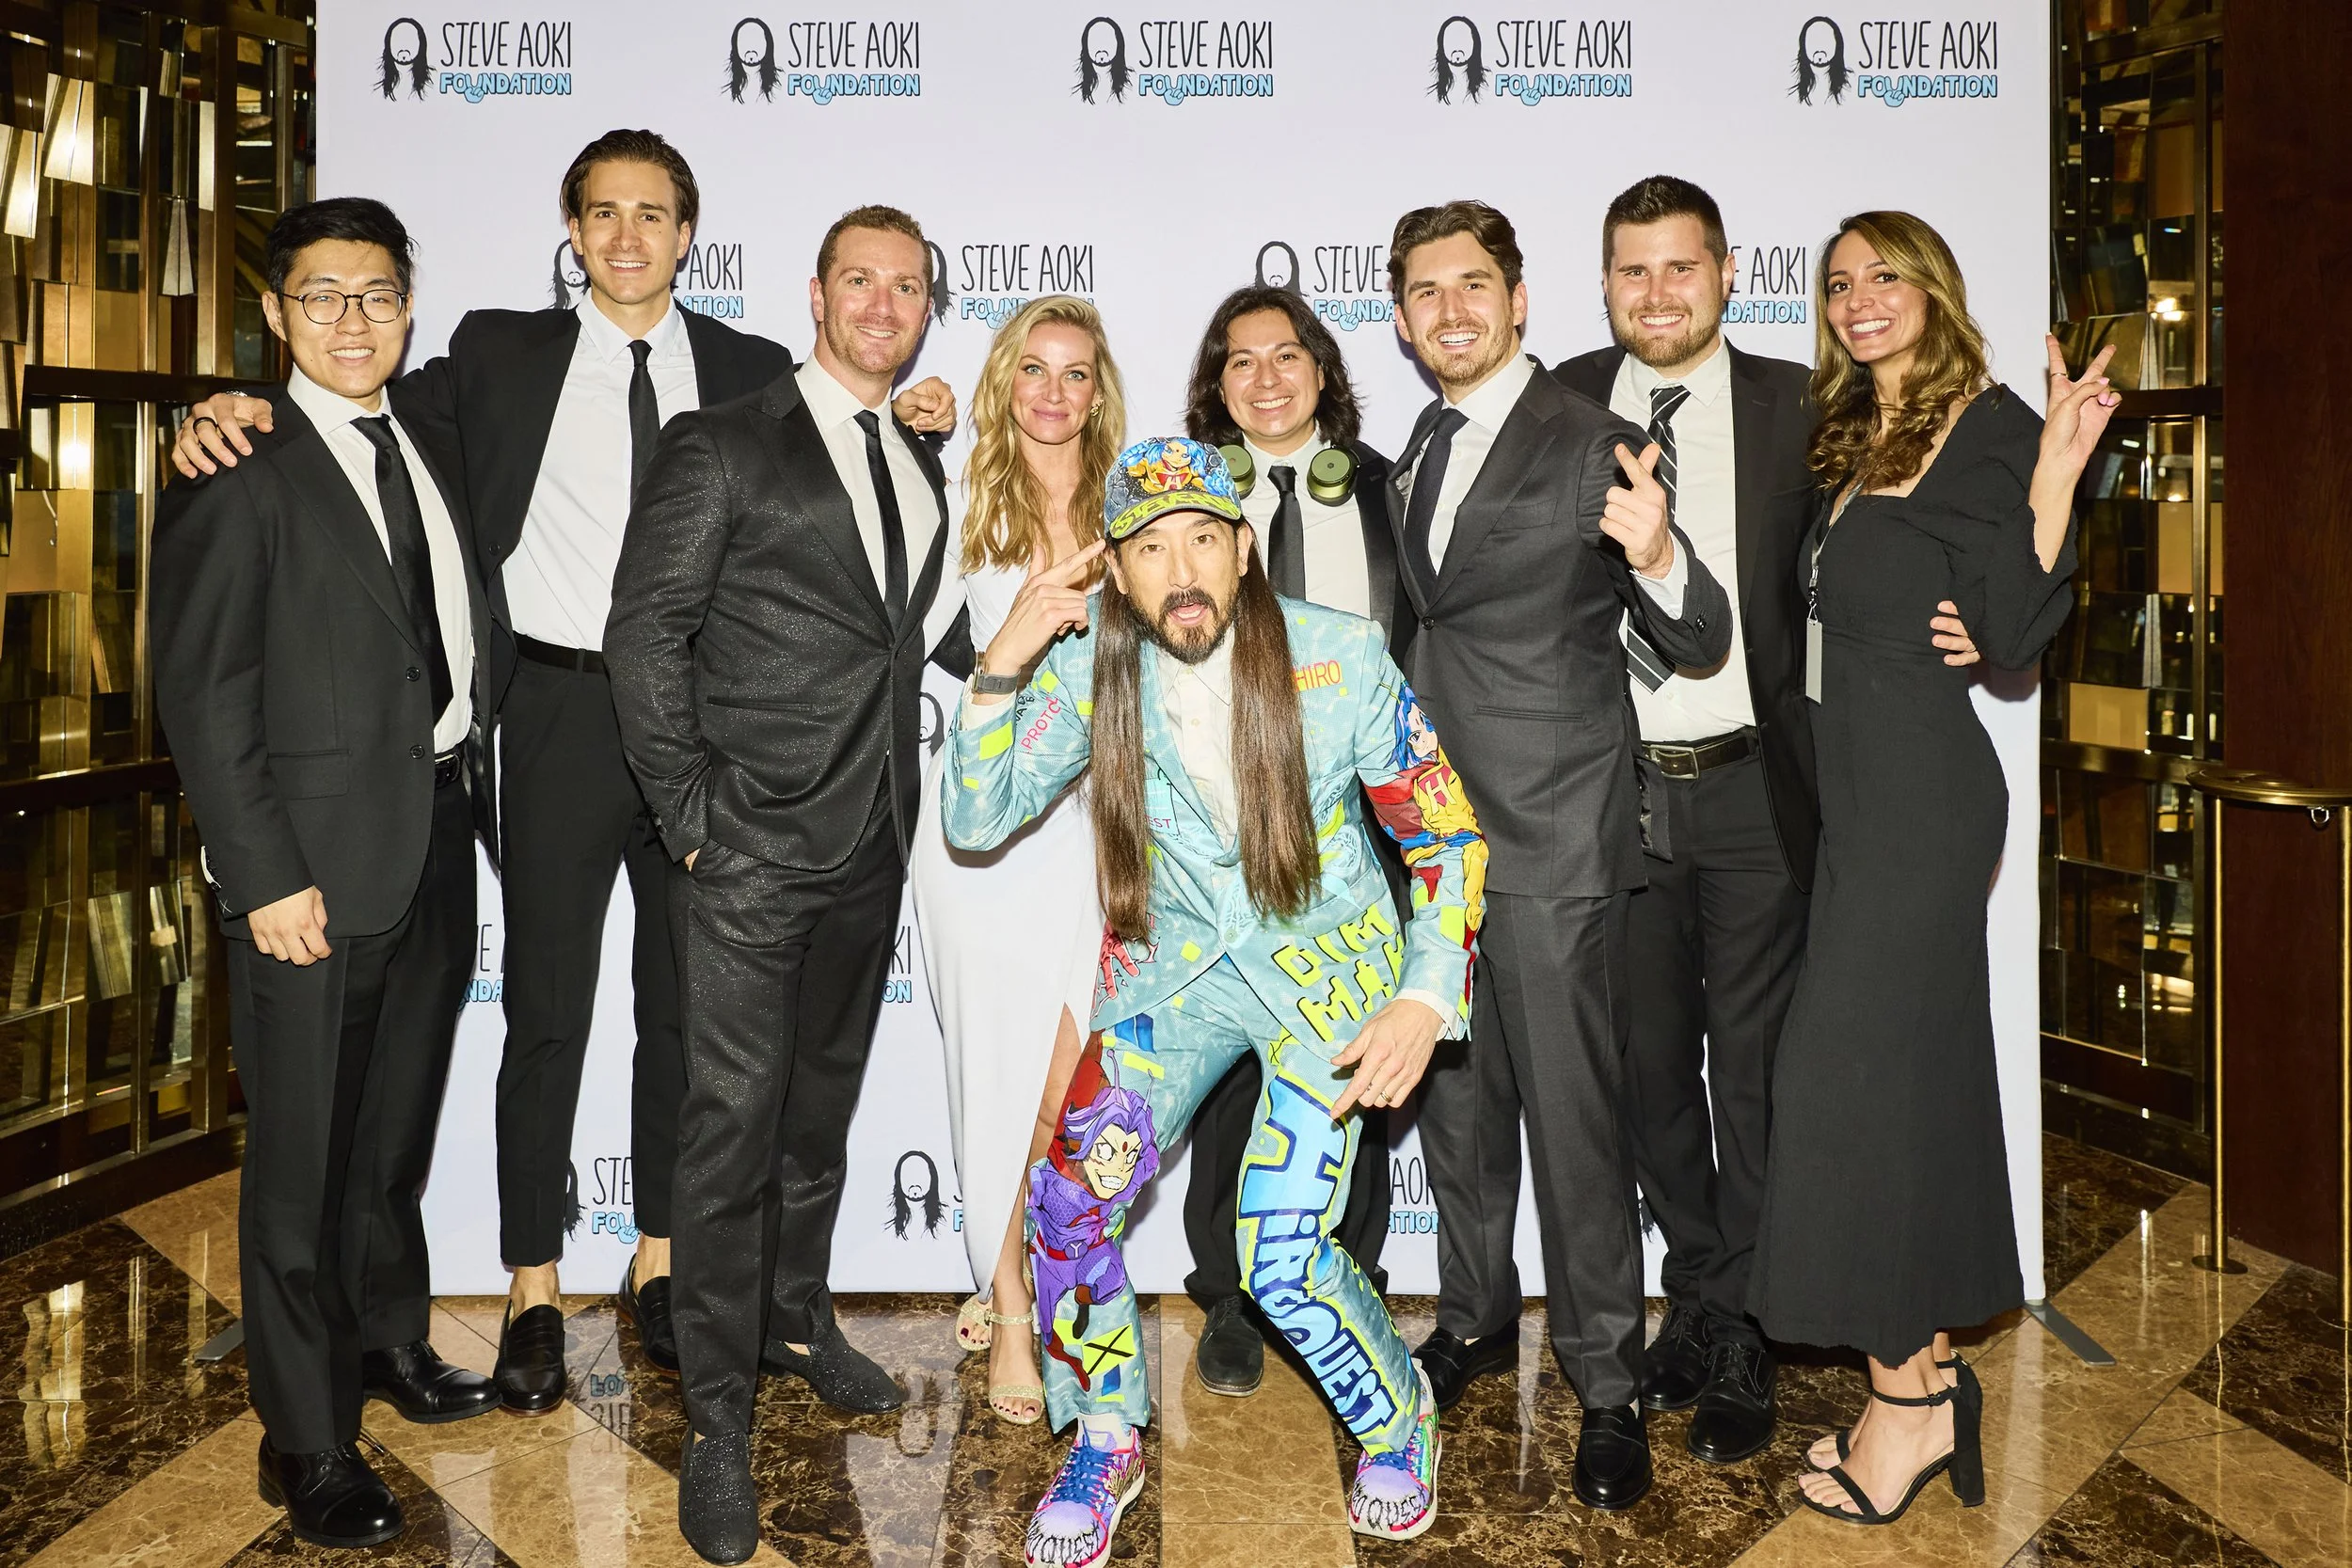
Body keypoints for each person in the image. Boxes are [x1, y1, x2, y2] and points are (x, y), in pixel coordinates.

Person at [168, 131, 954, 1409]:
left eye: (655, 214)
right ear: (573, 231)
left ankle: (656, 1262)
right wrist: (216, 404)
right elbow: (344, 424)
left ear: (690, 233)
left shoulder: (754, 368)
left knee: (688, 1011)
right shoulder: (493, 355)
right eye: (604, 213)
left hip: (709, 723)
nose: (630, 236)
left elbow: (846, 447)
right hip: (553, 715)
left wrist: (918, 411)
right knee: (543, 1011)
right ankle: (532, 1287)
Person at [947, 436, 1484, 1564]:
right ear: (1117, 571)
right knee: (1068, 1204)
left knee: (1281, 1253)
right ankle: (1106, 1430)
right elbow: (975, 814)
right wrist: (1005, 649)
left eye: (1203, 536)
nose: (1180, 569)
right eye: (1149, 549)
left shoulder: (1339, 658)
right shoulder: (1094, 659)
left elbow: (1442, 832)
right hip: (1173, 980)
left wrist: (1425, 995)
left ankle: (1399, 1420)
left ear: (1243, 545)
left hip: (1323, 979)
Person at [1551, 176, 1986, 1465]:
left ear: (1728, 272)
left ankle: (1742, 1319)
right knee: (1643, 1074)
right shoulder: (1560, 403)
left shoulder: (1806, 407)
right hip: (1610, 796)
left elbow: (1928, 512)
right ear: (1605, 281)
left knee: (1753, 1075)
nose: (1656, 293)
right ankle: (1694, 1291)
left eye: (1680, 267)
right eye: (1632, 270)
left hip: (1756, 791)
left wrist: (1999, 611)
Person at [1746, 211, 2114, 1526]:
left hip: (1924, 805)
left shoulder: (1993, 417)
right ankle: (1934, 1378)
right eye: (1840, 282)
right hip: (1862, 808)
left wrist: (2062, 461)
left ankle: (1903, 1405)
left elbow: (2015, 626)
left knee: (1850, 1089)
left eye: (1884, 273)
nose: (1859, 298)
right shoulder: (1859, 438)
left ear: (1934, 287)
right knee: (1914, 1087)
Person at [604, 204, 952, 1566]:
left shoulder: (916, 450)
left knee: (818, 1115)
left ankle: (799, 1321)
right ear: (814, 293)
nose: (882, 302)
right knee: (730, 1134)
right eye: (859, 279)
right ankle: (714, 1421)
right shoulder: (723, 440)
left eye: (906, 286)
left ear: (927, 308)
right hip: (746, 851)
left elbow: (889, 629)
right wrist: (694, 821)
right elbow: (647, 632)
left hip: (872, 840)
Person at [151, 197, 500, 1548]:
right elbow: (202, 692)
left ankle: (385, 1344)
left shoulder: (433, 438)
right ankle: (304, 1436)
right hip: (307, 870)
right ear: (280, 315)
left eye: (377, 295)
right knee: (298, 1164)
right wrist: (261, 874)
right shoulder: (235, 461)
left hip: (434, 838)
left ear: (410, 307)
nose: (354, 321)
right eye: (323, 297)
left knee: (389, 1138)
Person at [1385, 199, 1731, 1511]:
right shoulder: (1417, 440)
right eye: (1425, 290)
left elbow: (1694, 629)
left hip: (1544, 831)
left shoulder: (1597, 440)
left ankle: (1603, 1378)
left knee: (1576, 1124)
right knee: (1460, 1110)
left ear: (1521, 300)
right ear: (1405, 313)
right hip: (1427, 842)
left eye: (1474, 285)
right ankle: (1473, 1318)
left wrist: (1661, 556)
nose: (1451, 310)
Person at [1174, 284, 1410, 1398]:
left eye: (1286, 356)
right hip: (1220, 824)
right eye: (1239, 362)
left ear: (1321, 369)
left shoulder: (1386, 487)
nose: (1265, 379)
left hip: (1355, 817)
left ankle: (1331, 1273)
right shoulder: (1177, 498)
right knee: (1228, 1065)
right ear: (1214, 386)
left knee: (1346, 1053)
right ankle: (1226, 1287)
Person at [911, 294, 1126, 1427]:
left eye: (1074, 373)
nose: (1053, 391)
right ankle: (1005, 1293)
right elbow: (913, 641)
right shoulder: (952, 500)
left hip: (1094, 835)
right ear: (1004, 382)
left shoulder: (1129, 503)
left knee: (1073, 1098)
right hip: (981, 836)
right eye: (1032, 369)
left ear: (1099, 390)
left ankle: (1052, 1285)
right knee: (997, 1070)